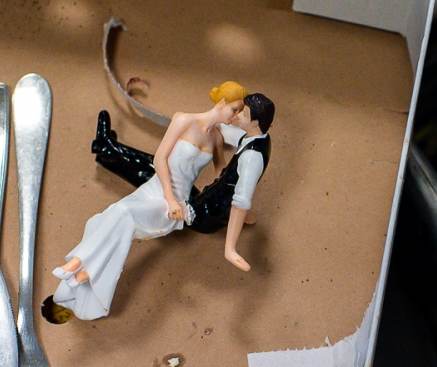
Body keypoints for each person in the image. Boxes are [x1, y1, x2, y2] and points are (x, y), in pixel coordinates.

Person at [47, 83, 275, 322]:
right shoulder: (183, 120)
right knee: (114, 215)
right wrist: (167, 196)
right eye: (234, 110)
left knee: (123, 212)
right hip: (159, 190)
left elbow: (223, 175)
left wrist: (236, 206)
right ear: (221, 104)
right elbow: (159, 158)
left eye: (240, 112)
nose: (236, 117)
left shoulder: (217, 138)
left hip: (178, 204)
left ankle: (79, 263)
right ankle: (84, 270)